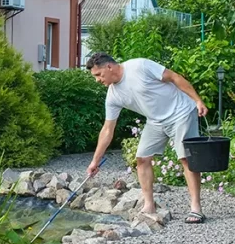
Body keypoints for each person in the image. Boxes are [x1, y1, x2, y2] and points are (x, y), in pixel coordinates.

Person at [84, 52, 209, 224]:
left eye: (98, 75)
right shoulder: (113, 95)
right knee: (142, 159)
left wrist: (198, 101)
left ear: (109, 67)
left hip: (181, 112)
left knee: (186, 158)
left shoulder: (139, 66)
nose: (98, 80)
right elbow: (107, 130)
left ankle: (196, 208)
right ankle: (149, 205)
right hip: (155, 121)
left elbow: (173, 77)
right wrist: (94, 161)